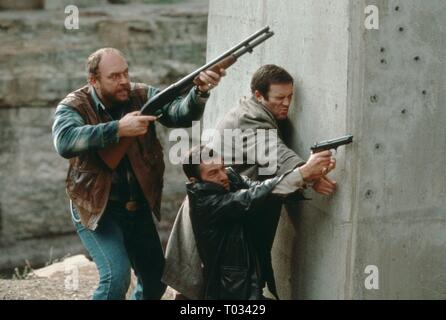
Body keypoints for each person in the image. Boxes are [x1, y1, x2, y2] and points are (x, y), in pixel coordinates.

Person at [51, 47, 224, 300]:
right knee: (115, 278)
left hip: (136, 207)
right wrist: (118, 129)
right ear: (93, 80)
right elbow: (64, 142)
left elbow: (179, 114)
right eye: (114, 76)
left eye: (125, 73)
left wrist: (199, 92)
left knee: (155, 281)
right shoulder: (74, 105)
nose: (124, 81)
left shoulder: (142, 95)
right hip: (97, 208)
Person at [163, 64, 336, 299]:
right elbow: (271, 156)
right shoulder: (251, 119)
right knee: (206, 288)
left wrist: (307, 176)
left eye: (290, 97)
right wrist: (305, 172)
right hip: (219, 223)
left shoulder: (232, 173)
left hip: (231, 224)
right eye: (280, 97)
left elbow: (258, 188)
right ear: (258, 95)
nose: (286, 103)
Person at [182, 145, 334, 299]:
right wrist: (303, 172)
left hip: (248, 286)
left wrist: (309, 178)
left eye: (222, 167)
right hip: (232, 293)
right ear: (194, 181)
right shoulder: (204, 203)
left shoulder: (231, 178)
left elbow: (262, 191)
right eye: (213, 173)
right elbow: (251, 198)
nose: (222, 176)